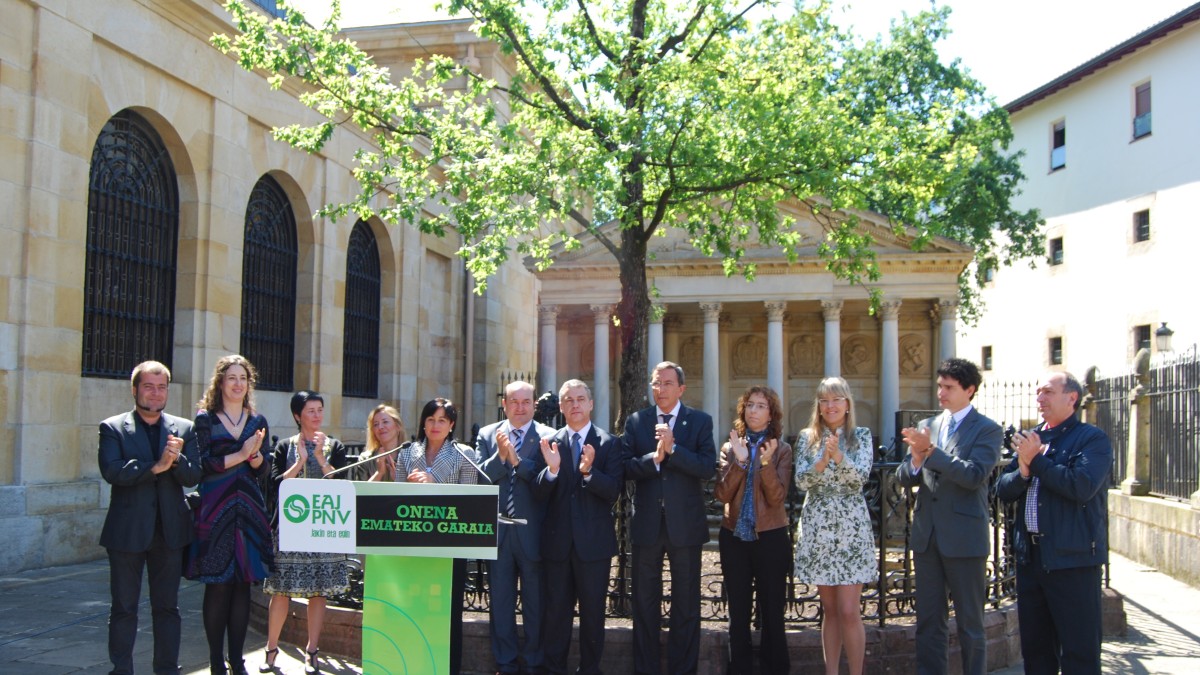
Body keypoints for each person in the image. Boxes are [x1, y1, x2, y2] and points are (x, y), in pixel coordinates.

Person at [996, 372, 1112, 674]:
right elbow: (1002, 490)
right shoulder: (1033, 437)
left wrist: (1036, 461)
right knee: (1036, 651)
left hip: (1072, 560)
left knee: (1079, 652)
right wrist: (1023, 469)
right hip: (1031, 559)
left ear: (1071, 398)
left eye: (1047, 391)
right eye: (1037, 392)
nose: (1040, 398)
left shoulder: (1092, 439)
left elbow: (1081, 485)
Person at [898, 358, 1003, 675]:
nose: (941, 392)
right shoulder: (928, 426)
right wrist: (915, 461)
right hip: (927, 537)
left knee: (971, 624)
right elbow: (905, 477)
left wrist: (931, 453)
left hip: (964, 540)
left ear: (969, 390)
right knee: (929, 621)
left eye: (949, 387)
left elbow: (973, 476)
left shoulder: (988, 430)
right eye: (939, 386)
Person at [98, 360, 201, 675]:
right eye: (148, 386)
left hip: (169, 533)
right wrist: (155, 466)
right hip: (127, 532)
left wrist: (177, 459)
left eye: (161, 387)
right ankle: (121, 669)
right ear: (135, 389)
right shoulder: (113, 427)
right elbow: (112, 470)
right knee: (124, 608)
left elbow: (193, 475)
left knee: (167, 608)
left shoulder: (184, 429)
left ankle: (167, 668)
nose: (155, 393)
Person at [622, 362, 716, 675]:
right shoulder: (637, 421)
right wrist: (654, 459)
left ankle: (683, 669)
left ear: (681, 388)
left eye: (666, 383)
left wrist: (674, 451)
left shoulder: (700, 421)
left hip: (685, 526)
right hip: (648, 525)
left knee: (686, 605)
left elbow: (706, 467)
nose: (660, 389)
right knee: (645, 604)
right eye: (656, 383)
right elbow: (625, 467)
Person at [379, 397, 479, 674]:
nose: (435, 425)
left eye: (442, 421)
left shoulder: (465, 454)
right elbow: (397, 498)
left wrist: (436, 484)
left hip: (449, 548)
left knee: (446, 613)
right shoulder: (409, 453)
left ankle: (448, 668)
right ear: (423, 423)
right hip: (415, 545)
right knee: (415, 609)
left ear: (451, 426)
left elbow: (470, 502)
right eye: (431, 419)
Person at [186, 355, 272, 675]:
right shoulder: (205, 419)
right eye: (231, 378)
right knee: (218, 585)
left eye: (243, 378)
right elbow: (203, 465)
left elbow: (265, 471)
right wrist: (241, 453)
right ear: (220, 383)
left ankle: (237, 659)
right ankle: (215, 660)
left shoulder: (257, 421)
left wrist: (254, 459)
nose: (238, 384)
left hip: (248, 509)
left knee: (241, 586)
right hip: (216, 507)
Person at [533, 379, 623, 675]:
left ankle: (590, 669)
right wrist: (553, 470)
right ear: (560, 406)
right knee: (556, 613)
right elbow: (538, 493)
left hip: (593, 546)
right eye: (568, 400)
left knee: (593, 614)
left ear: (591, 404)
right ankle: (553, 669)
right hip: (557, 545)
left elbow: (613, 491)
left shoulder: (609, 443)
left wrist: (588, 473)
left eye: (580, 399)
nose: (575, 404)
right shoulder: (549, 443)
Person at [260, 391, 350, 675]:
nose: (317, 415)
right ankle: (271, 649)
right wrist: (298, 462)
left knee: (319, 591)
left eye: (320, 410)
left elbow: (341, 484)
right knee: (280, 591)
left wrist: (322, 458)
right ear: (298, 415)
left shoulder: (334, 445)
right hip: (290, 529)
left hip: (323, 527)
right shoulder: (284, 446)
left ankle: (312, 650)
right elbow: (275, 485)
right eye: (310, 411)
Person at [793, 377, 875, 675]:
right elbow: (801, 481)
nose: (831, 406)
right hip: (818, 528)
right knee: (829, 610)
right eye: (825, 400)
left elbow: (859, 479)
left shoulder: (861, 436)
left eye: (836, 399)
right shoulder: (806, 437)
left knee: (849, 610)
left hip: (851, 529)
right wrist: (821, 460)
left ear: (847, 404)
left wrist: (838, 456)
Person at [713, 386, 793, 675]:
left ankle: (775, 669)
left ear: (771, 414)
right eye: (749, 405)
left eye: (760, 406)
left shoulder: (781, 450)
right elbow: (722, 494)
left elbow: (776, 498)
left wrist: (766, 463)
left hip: (771, 536)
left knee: (772, 611)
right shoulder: (729, 447)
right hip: (734, 536)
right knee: (738, 610)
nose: (753, 411)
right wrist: (741, 461)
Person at [477, 381, 555, 675]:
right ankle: (506, 662)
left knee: (535, 604)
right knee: (501, 603)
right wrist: (500, 456)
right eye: (514, 402)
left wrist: (517, 460)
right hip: (499, 533)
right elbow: (481, 478)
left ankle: (534, 662)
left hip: (532, 532)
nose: (520, 408)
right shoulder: (487, 434)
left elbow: (545, 479)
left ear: (534, 404)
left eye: (526, 402)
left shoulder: (548, 436)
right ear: (504, 404)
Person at [361, 404, 407, 482]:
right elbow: (360, 491)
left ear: (397, 426)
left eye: (385, 422)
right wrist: (379, 473)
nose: (380, 427)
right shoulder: (366, 459)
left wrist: (399, 479)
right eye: (376, 424)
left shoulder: (411, 457)